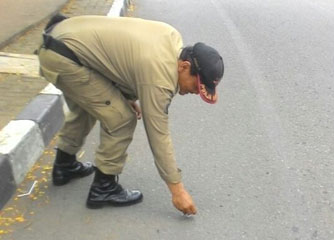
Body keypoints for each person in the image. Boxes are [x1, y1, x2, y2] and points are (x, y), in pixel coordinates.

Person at [37, 15, 224, 214]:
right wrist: (177, 190)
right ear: (184, 67)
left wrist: (124, 97)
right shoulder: (160, 78)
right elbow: (158, 135)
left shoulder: (171, 39)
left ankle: (64, 166)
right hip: (64, 56)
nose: (196, 91)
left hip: (62, 38)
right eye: (197, 85)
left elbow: (118, 63)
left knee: (90, 106)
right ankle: (103, 188)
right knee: (121, 119)